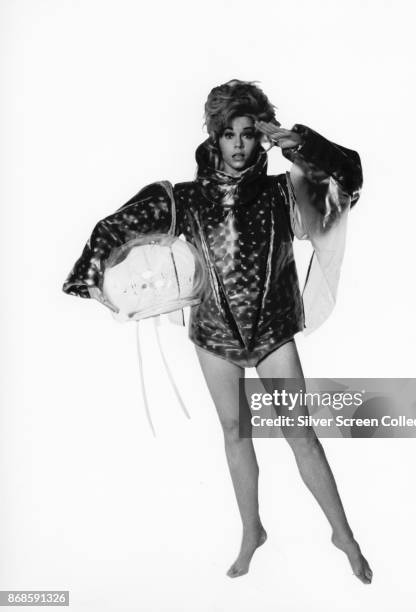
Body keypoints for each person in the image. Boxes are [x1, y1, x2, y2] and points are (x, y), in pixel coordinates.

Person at [62, 79, 373, 583]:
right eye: (228, 133)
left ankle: (344, 535)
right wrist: (93, 276)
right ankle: (252, 530)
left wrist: (294, 140)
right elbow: (114, 227)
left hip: (273, 331)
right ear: (214, 136)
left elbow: (350, 177)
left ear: (260, 136)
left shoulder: (283, 193)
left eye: (248, 133)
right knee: (235, 431)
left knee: (302, 434)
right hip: (214, 336)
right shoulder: (186, 198)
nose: (237, 143)